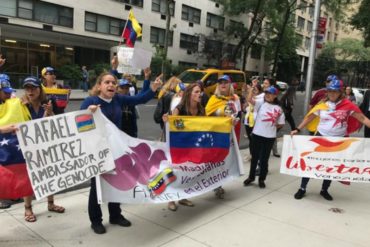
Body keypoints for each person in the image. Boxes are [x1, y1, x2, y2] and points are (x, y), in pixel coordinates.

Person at [81, 71, 161, 234]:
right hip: (97, 150)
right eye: (107, 82)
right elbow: (79, 123)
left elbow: (140, 99)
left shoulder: (118, 99)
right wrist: (88, 112)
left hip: (115, 149)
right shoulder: (91, 101)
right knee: (97, 186)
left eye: (113, 83)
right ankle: (96, 221)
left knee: (117, 181)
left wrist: (152, 88)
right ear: (99, 86)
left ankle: (115, 215)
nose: (111, 85)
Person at [291, 79, 370, 200]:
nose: (332, 94)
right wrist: (297, 129)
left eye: (335, 91)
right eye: (330, 91)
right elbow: (309, 117)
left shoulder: (348, 105)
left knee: (331, 166)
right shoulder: (322, 105)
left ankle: (324, 189)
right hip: (321, 138)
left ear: (340, 92)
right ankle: (302, 188)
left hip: (339, 141)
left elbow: (363, 118)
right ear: (327, 92)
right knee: (310, 163)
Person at [20, 76, 65, 222]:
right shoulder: (21, 105)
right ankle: (28, 207)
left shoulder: (49, 103)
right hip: (28, 148)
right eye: (27, 88)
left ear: (40, 89)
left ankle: (51, 204)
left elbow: (58, 124)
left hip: (46, 147)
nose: (30, 91)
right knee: (28, 177)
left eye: (33, 88)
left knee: (48, 174)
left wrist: (50, 112)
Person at [163, 83, 204, 211]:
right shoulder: (180, 108)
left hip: (193, 146)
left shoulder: (201, 109)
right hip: (179, 146)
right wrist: (167, 120)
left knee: (187, 172)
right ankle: (170, 199)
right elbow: (172, 127)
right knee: (175, 171)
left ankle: (183, 197)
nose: (199, 94)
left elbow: (206, 125)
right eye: (196, 92)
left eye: (200, 92)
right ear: (189, 94)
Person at [205, 75, 241, 199]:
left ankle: (220, 183)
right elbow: (207, 114)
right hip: (217, 134)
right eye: (220, 82)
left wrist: (236, 121)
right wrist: (220, 112)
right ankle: (216, 186)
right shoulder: (213, 99)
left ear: (230, 85)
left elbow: (239, 114)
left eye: (225, 82)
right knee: (216, 160)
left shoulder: (235, 99)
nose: (223, 85)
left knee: (225, 160)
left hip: (230, 133)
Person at [243, 86, 285, 188]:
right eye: (266, 93)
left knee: (264, 160)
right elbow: (249, 100)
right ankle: (251, 177)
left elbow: (281, 123)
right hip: (257, 135)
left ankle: (262, 179)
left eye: (270, 93)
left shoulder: (279, 109)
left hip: (269, 137)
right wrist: (252, 89)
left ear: (275, 95)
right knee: (254, 158)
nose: (267, 95)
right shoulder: (261, 104)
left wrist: (276, 125)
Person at [116, 68, 152, 137]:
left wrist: (147, 78)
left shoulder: (130, 98)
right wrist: (114, 69)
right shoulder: (113, 99)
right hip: (118, 132)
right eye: (122, 88)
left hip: (130, 130)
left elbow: (142, 96)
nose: (125, 90)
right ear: (116, 88)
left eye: (127, 88)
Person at [243, 81, 263, 161]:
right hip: (248, 120)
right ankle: (252, 155)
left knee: (255, 140)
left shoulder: (261, 99)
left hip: (255, 121)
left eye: (255, 90)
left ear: (259, 91)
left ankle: (256, 156)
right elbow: (245, 107)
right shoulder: (250, 97)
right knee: (251, 140)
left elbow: (250, 100)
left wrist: (251, 90)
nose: (253, 91)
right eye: (253, 90)